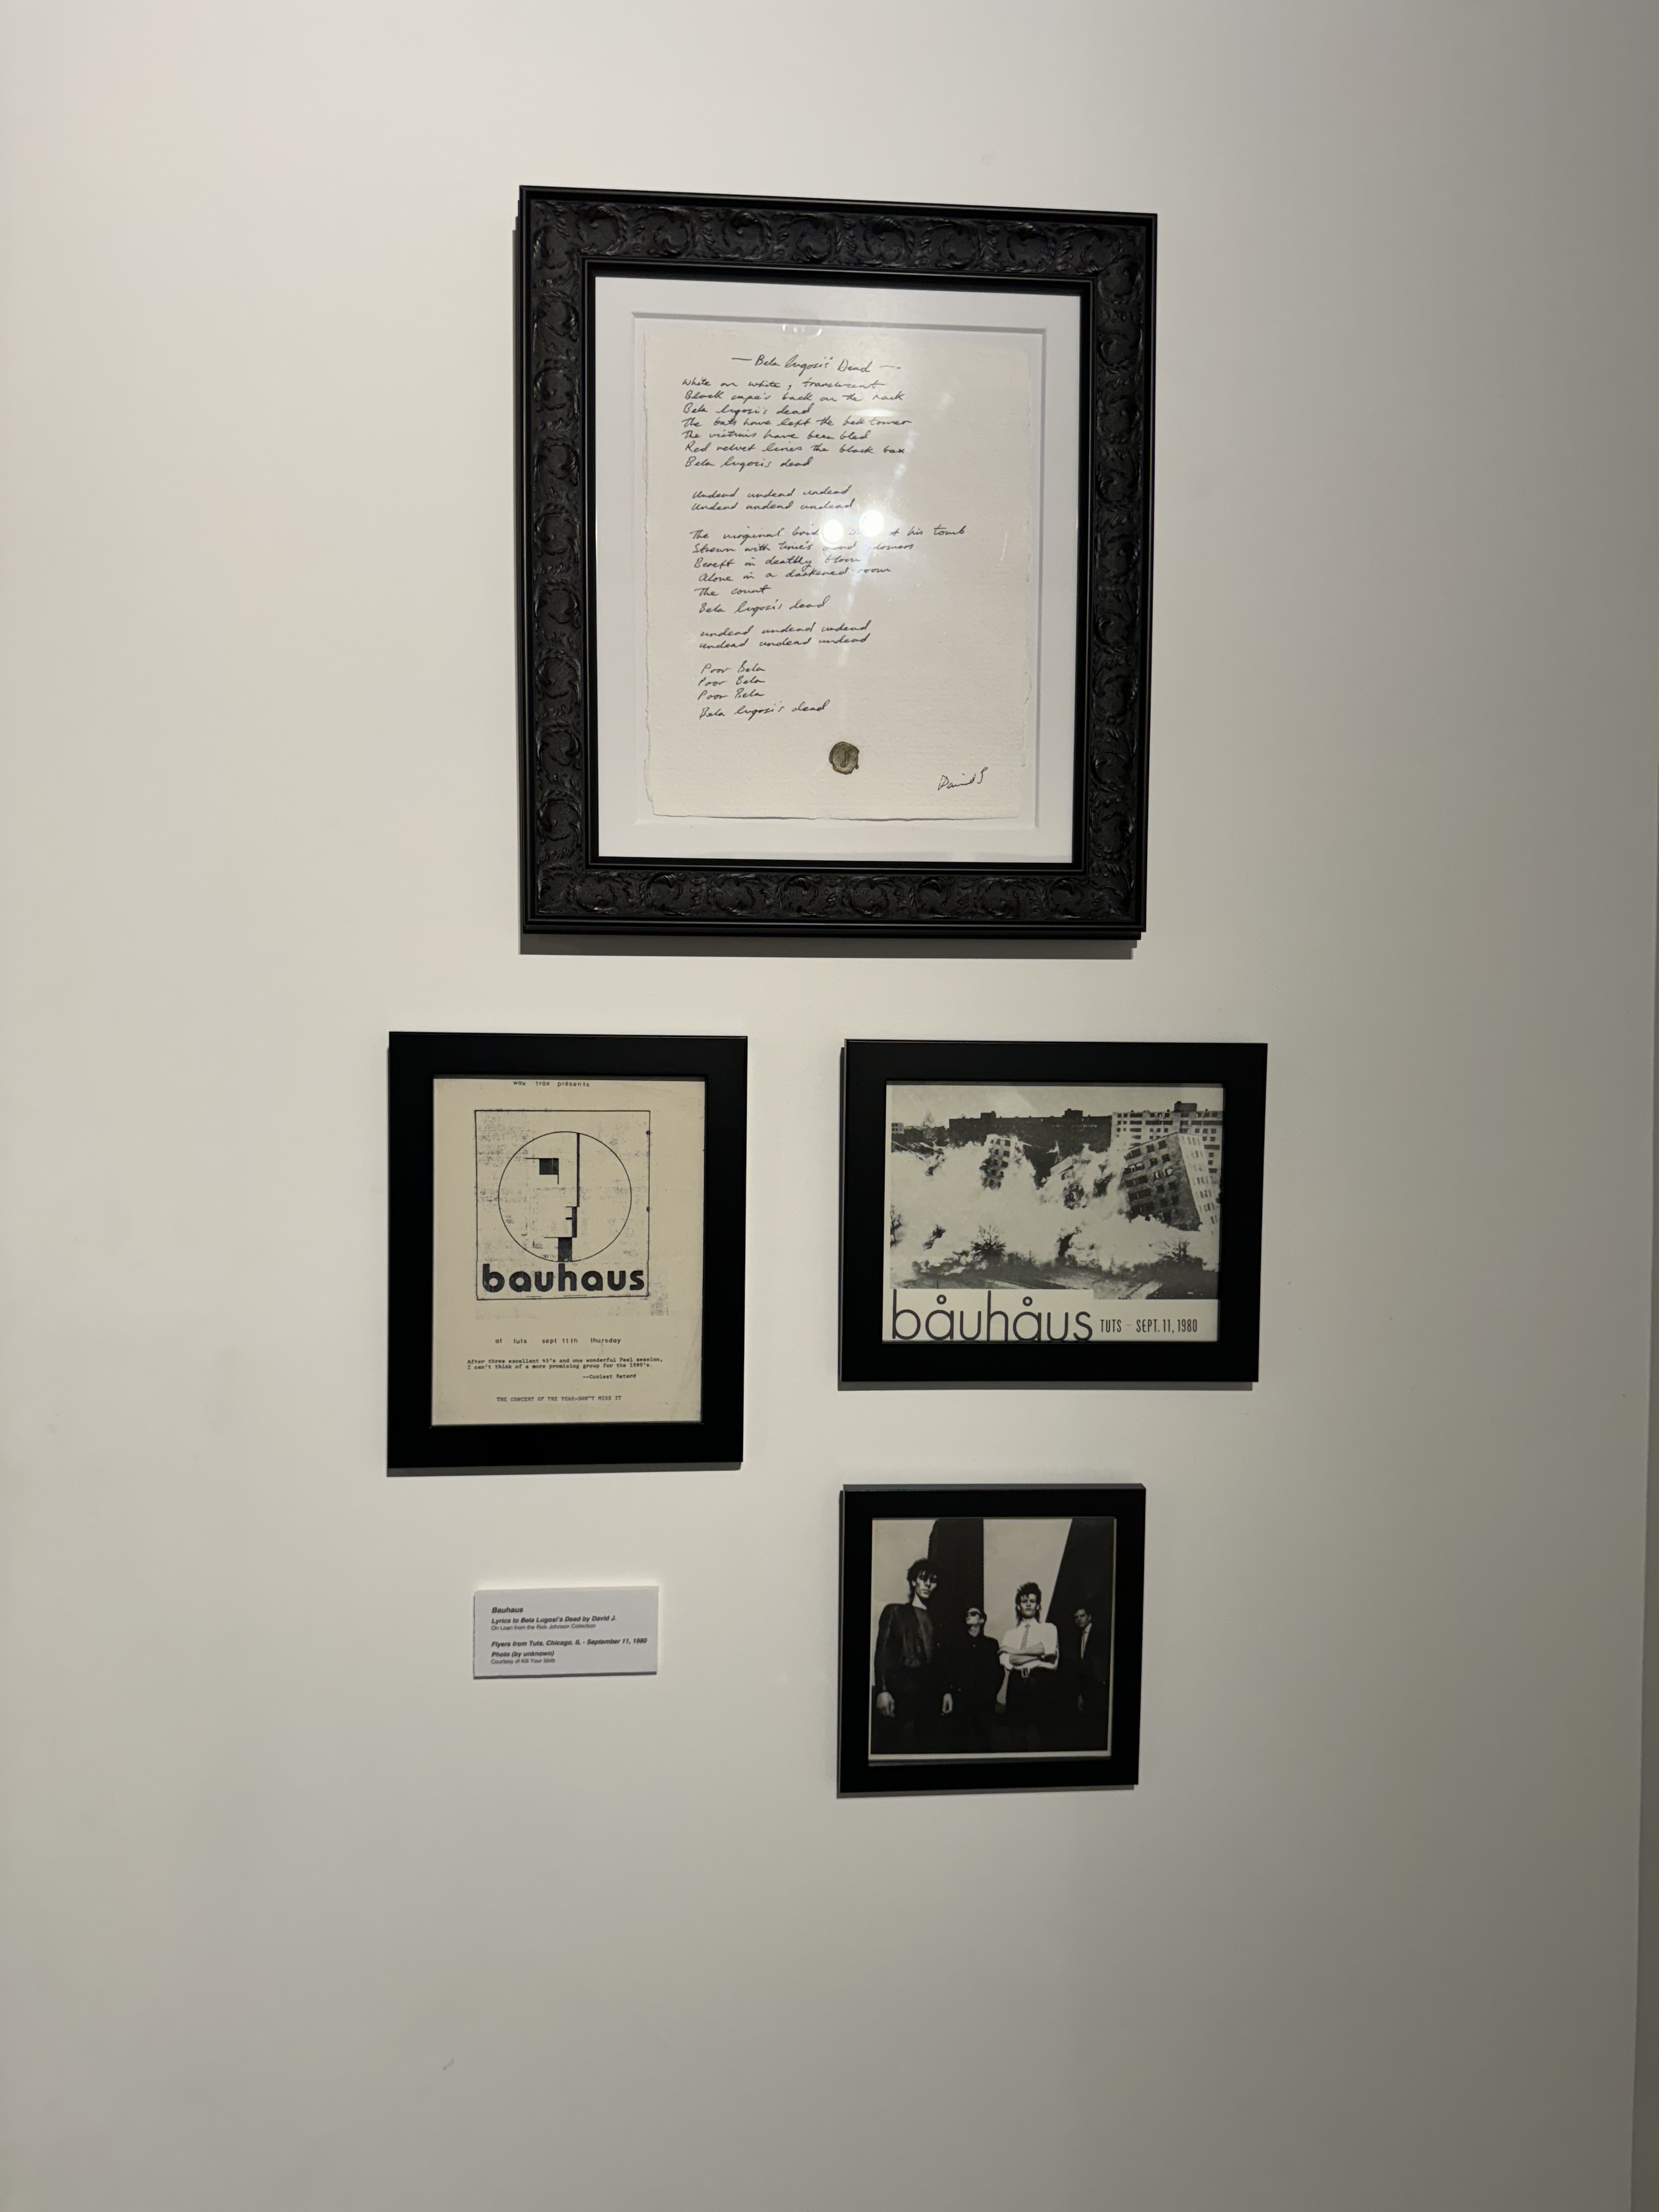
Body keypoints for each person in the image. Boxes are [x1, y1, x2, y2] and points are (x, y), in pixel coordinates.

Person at [873, 1560, 952, 1753]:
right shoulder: (895, 1611)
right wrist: (883, 1691)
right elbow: (883, 1652)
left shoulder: (939, 1619)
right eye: (923, 1579)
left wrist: (946, 1691)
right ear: (913, 1582)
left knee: (926, 1750)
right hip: (900, 1692)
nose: (928, 1584)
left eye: (933, 1581)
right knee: (893, 1749)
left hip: (930, 1696)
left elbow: (942, 1661)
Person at [997, 1581, 1059, 1750]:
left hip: (1041, 1680)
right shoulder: (1010, 1634)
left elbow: (1049, 1651)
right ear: (1019, 1606)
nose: (1029, 1605)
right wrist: (1036, 1653)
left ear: (1038, 1605)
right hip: (1017, 1683)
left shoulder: (1049, 1629)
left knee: (1045, 1735)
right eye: (1025, 1601)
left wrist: (1014, 1651)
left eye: (1032, 1601)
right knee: (1017, 1735)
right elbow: (1007, 1662)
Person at [948, 1603, 1005, 1751]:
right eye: (967, 1614)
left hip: (984, 1705)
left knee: (984, 1744)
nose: (969, 1615)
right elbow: (951, 1671)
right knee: (960, 1745)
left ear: (982, 1620)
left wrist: (990, 1694)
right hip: (962, 1704)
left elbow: (998, 1673)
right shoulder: (957, 1644)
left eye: (973, 1614)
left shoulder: (991, 1644)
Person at [1063, 1602, 1111, 1750]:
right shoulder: (1077, 1637)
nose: (1079, 1620)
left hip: (1099, 1686)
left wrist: (1103, 1681)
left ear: (1089, 1617)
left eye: (1082, 1616)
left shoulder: (1101, 1634)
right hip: (1084, 1688)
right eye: (1076, 1617)